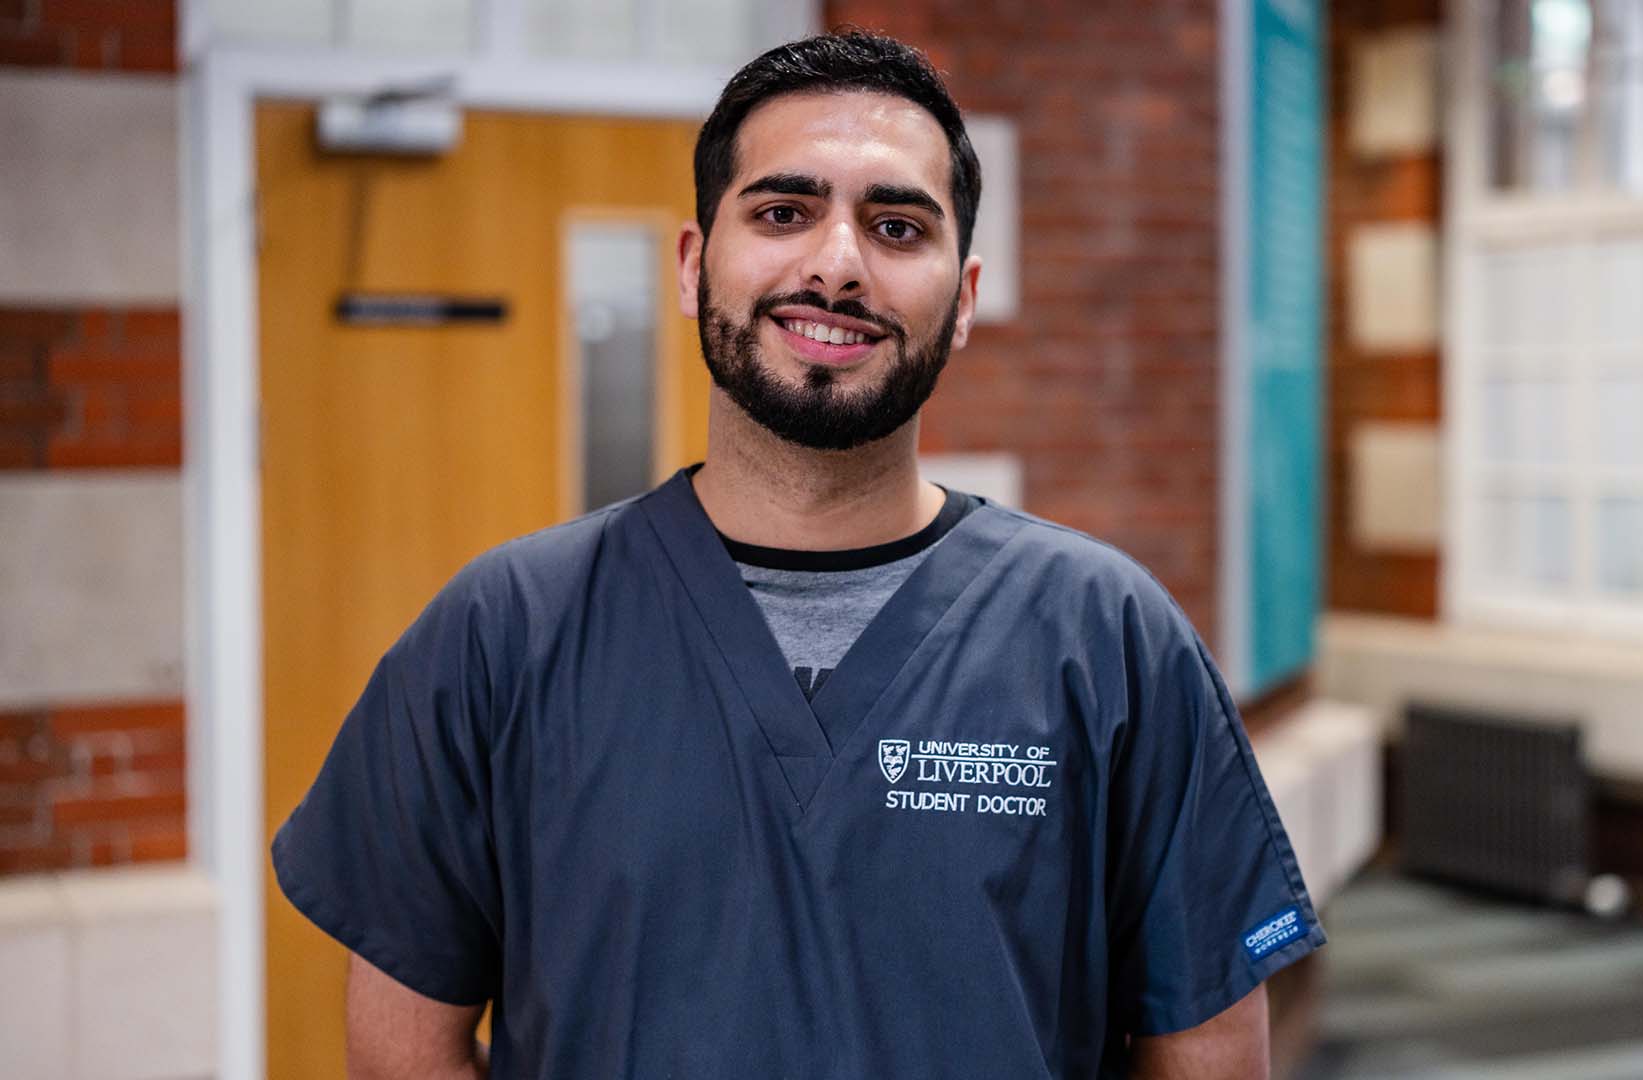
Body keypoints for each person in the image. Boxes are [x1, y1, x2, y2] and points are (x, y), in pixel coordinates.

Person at [273, 29, 1324, 1079]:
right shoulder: (502, 633)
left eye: (897, 226)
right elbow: (405, 1050)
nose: (836, 264)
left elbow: (1210, 1058)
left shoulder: (1106, 639)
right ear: (694, 267)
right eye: (784, 212)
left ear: (961, 301)